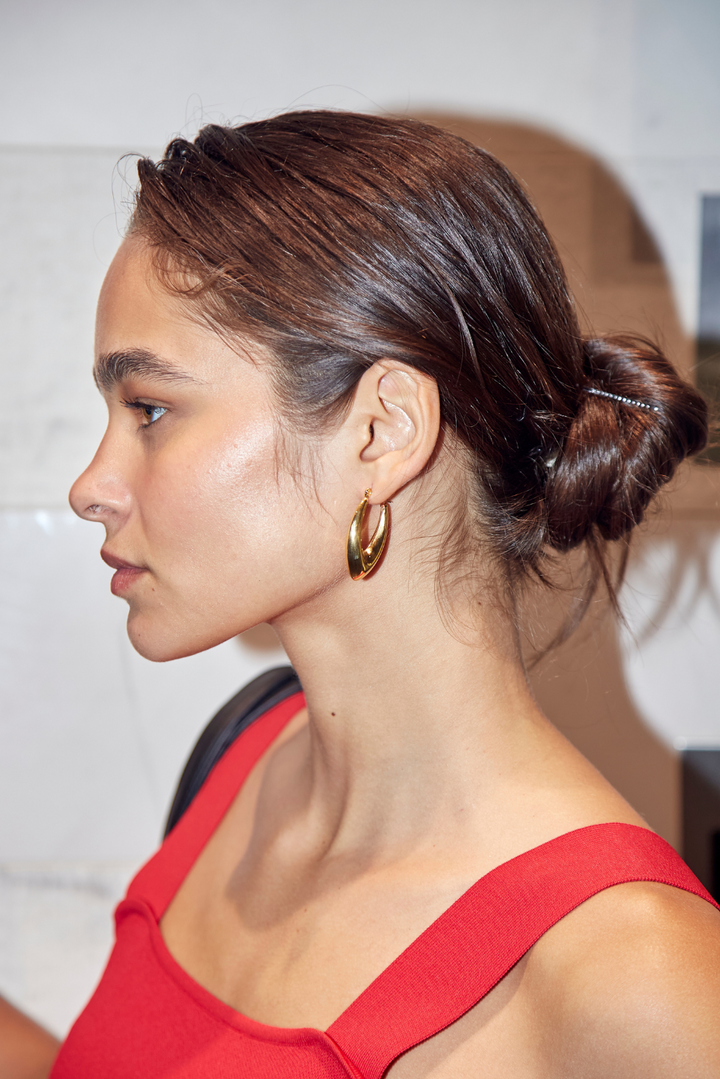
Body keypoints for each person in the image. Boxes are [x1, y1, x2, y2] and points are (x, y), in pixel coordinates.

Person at [4, 110, 720, 1078]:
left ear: (382, 432)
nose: (91, 485)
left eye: (151, 409)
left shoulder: (639, 978)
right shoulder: (246, 754)